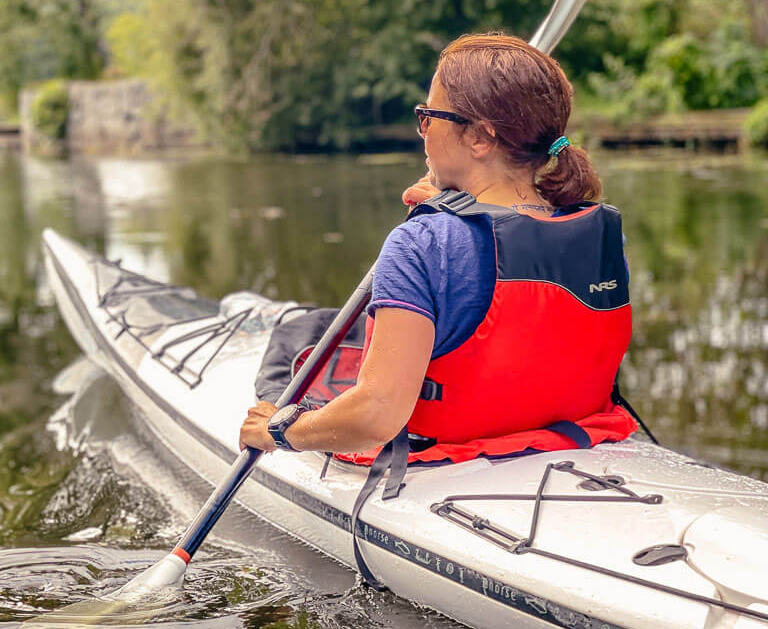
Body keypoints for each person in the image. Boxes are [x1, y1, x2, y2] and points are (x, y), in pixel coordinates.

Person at [239, 32, 637, 466]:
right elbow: (514, 243)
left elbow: (376, 415)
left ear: (481, 139)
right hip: (574, 437)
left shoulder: (422, 244)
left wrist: (280, 430)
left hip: (444, 457)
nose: (422, 129)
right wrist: (458, 207)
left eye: (429, 116)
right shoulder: (595, 231)